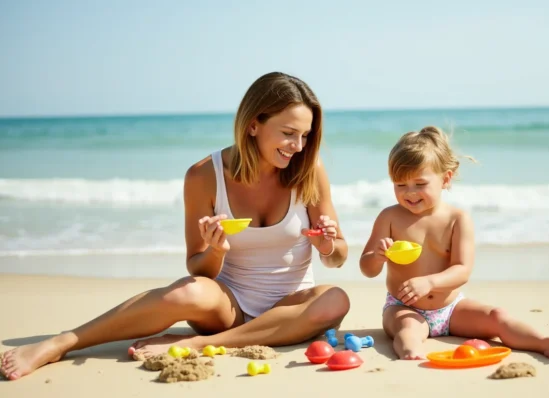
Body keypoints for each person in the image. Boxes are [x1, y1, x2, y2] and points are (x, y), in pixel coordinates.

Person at [1, 72, 350, 381]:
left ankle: (199, 344)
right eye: (289, 133)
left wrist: (327, 246)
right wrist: (216, 250)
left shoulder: (309, 170)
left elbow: (338, 258)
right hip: (229, 309)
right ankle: (63, 342)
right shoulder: (203, 175)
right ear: (254, 124)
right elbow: (198, 267)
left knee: (335, 299)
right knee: (188, 290)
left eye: (305, 135)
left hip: (291, 310)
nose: (298, 147)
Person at [359, 126, 549, 360]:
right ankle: (412, 354)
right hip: (403, 308)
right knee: (409, 329)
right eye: (400, 185)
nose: (410, 193)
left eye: (420, 184)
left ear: (445, 178)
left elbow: (462, 270)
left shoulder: (457, 219)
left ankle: (544, 343)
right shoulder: (390, 217)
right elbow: (367, 269)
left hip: (451, 308)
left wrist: (430, 282)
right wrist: (376, 257)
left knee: (497, 316)